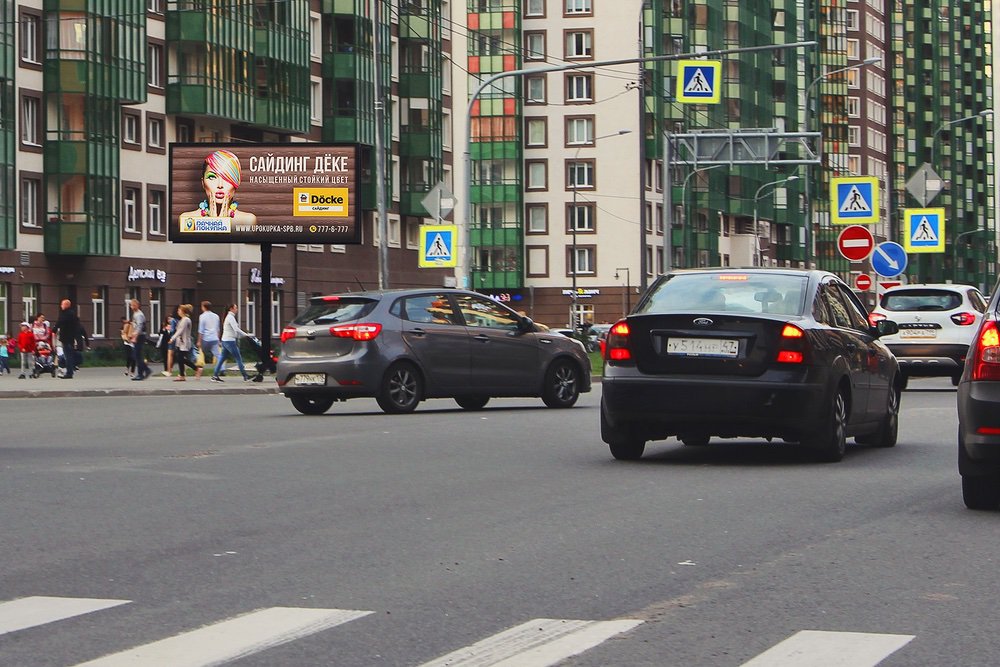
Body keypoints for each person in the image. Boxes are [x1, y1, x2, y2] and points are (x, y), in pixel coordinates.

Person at [177, 150, 257, 230]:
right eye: (212, 177)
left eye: (227, 178)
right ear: (203, 183)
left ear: (237, 183)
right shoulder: (186, 219)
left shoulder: (247, 220)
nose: (220, 185)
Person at [211, 303, 252, 382]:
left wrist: (241, 336)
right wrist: (246, 335)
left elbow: (234, 331)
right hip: (230, 341)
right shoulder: (230, 317)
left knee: (222, 358)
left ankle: (215, 376)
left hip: (225, 340)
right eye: (235, 308)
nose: (237, 309)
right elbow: (236, 329)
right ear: (231, 309)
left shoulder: (229, 317)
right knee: (238, 358)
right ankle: (245, 376)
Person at [54, 299, 82, 379]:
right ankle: (70, 371)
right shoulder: (73, 314)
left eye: (62, 304)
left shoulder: (65, 314)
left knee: (68, 355)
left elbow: (60, 322)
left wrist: (55, 329)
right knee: (69, 354)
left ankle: (69, 373)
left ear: (66, 305)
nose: (61, 306)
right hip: (71, 337)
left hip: (66, 337)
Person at [195, 300, 221, 379]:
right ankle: (221, 369)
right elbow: (218, 329)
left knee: (201, 353)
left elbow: (201, 330)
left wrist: (199, 341)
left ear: (204, 307)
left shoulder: (202, 316)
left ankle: (199, 368)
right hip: (214, 338)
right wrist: (218, 340)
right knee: (218, 355)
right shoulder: (216, 316)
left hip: (206, 339)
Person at [169, 304, 194, 381]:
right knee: (180, 358)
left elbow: (180, 331)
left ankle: (184, 374)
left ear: (183, 311)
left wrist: (172, 338)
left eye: (179, 310)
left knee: (180, 358)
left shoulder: (185, 320)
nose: (178, 311)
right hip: (181, 342)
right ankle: (184, 373)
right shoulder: (183, 319)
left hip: (184, 342)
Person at [129, 299, 151, 381]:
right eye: (131, 305)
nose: (132, 307)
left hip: (140, 336)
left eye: (133, 305)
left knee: (137, 355)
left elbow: (139, 326)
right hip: (138, 335)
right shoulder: (136, 314)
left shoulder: (139, 315)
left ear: (138, 305)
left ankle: (141, 373)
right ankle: (145, 370)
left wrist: (135, 337)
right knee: (136, 355)